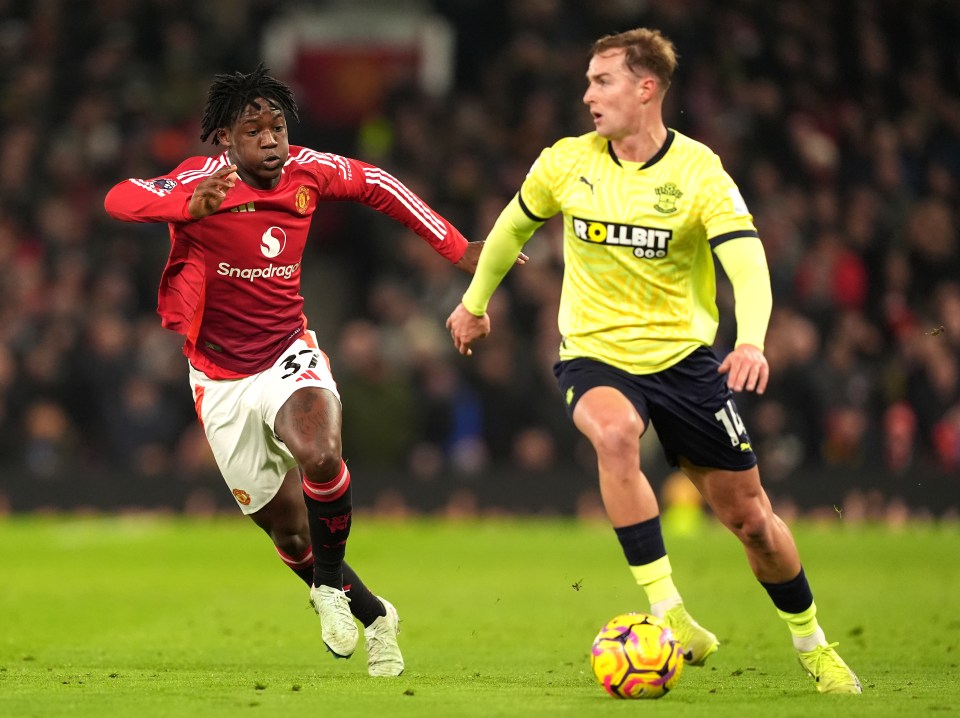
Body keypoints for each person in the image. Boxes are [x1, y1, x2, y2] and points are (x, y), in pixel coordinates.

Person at [446, 28, 862, 694]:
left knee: (752, 523)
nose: (587, 96)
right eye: (586, 81)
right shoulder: (565, 163)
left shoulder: (699, 172)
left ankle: (812, 643)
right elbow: (510, 228)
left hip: (686, 364)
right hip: (594, 355)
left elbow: (747, 264)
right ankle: (670, 612)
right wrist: (474, 303)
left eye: (601, 81)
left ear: (647, 89)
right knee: (614, 435)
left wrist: (750, 339)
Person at [104, 65, 484, 677]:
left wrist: (456, 246)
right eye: (253, 130)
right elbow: (119, 196)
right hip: (219, 379)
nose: (271, 139)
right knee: (290, 536)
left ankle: (328, 588)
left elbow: (378, 182)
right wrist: (182, 204)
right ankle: (377, 615)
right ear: (226, 140)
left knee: (321, 451)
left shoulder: (309, 170)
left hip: (287, 352)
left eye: (277, 125)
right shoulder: (201, 179)